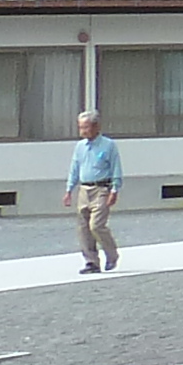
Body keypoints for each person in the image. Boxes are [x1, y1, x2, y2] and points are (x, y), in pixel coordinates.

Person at [67, 111, 124, 272]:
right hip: (84, 189)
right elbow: (74, 168)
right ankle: (91, 262)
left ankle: (111, 254)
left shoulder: (109, 145)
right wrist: (69, 189)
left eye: (86, 127)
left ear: (96, 126)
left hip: (101, 189)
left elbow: (116, 168)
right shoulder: (80, 147)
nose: (83, 131)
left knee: (96, 225)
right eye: (81, 127)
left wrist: (115, 189)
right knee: (83, 227)